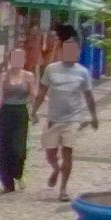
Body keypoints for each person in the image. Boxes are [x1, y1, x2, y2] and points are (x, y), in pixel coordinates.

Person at [38, 37, 97, 198]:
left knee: (67, 152)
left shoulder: (83, 72)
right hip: (53, 119)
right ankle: (56, 169)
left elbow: (89, 95)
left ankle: (63, 189)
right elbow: (42, 90)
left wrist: (94, 116)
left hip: (72, 119)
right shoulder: (51, 69)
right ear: (62, 52)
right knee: (50, 154)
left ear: (78, 52)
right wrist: (34, 110)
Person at [0, 25, 34, 194]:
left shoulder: (29, 76)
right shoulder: (4, 76)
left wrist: (37, 108)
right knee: (4, 147)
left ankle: (18, 173)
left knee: (18, 148)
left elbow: (34, 94)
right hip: (6, 113)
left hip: (21, 112)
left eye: (20, 58)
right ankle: (7, 182)